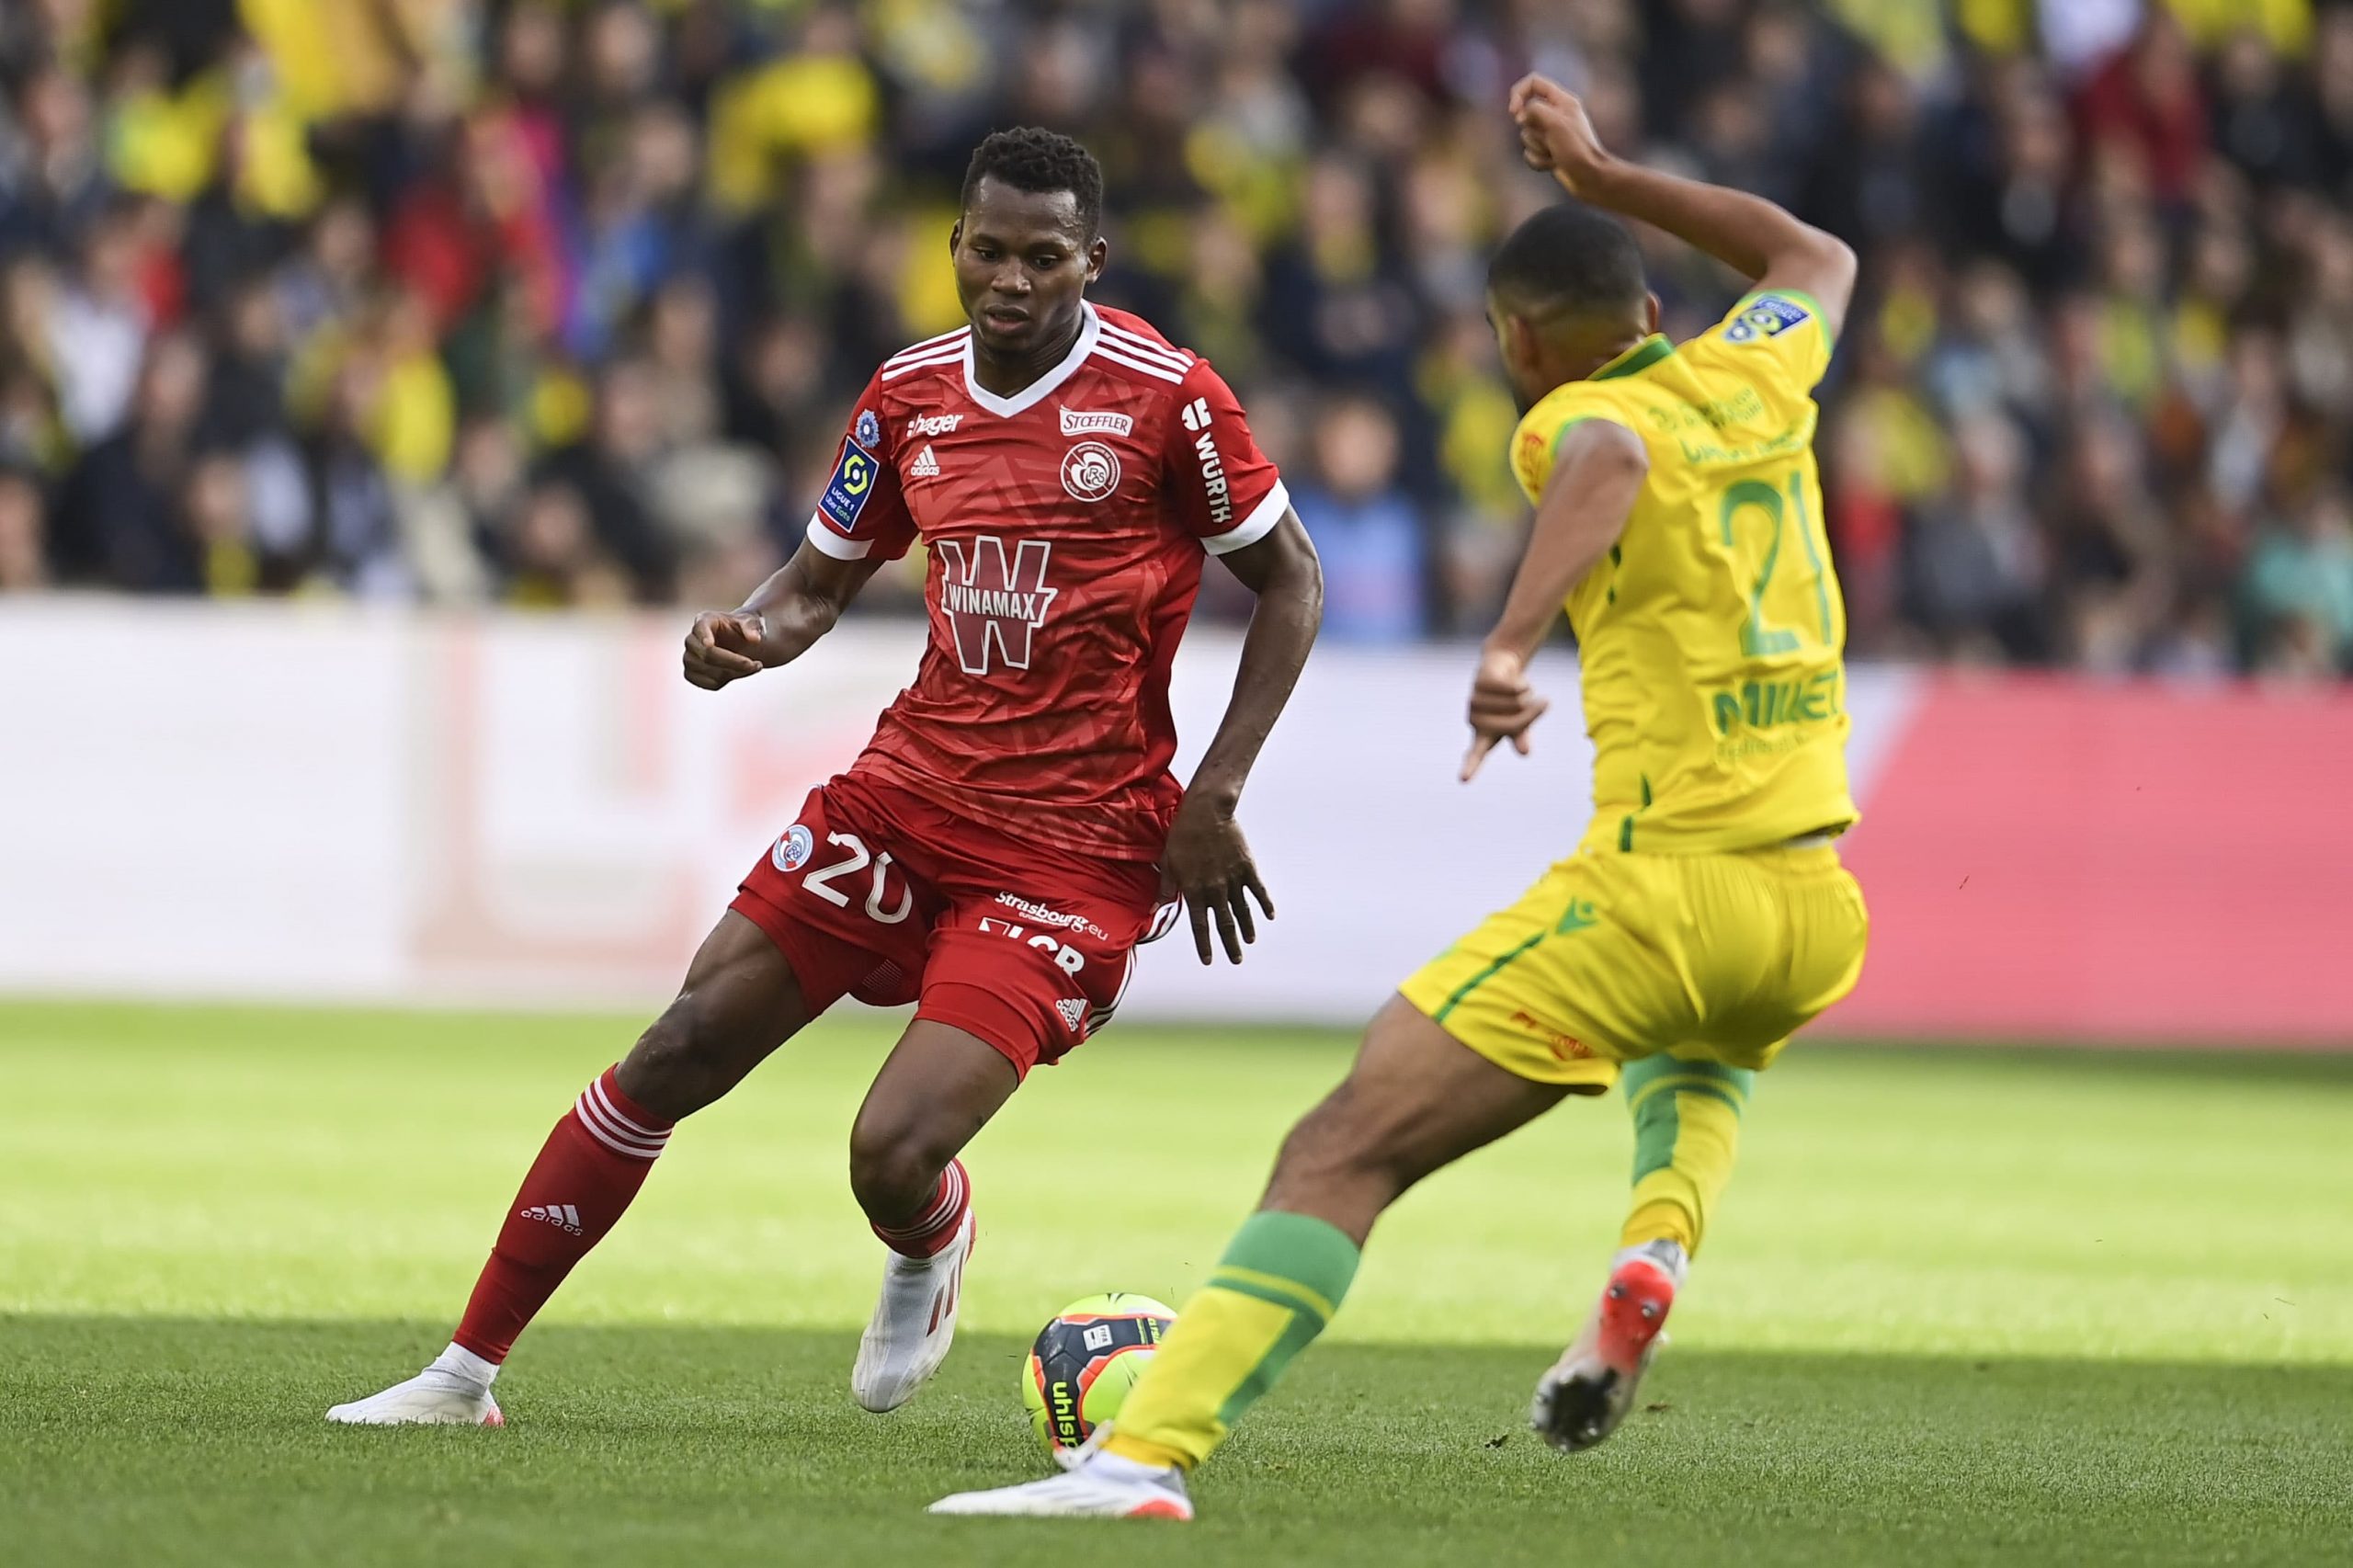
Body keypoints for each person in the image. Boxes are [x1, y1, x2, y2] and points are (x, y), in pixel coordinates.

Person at [932, 74, 1869, 1521]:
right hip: (1813, 905)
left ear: (1517, 342)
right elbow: (1818, 255)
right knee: (1698, 1057)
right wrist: (1609, 173)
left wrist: (1510, 639)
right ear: (1654, 314)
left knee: (1344, 1142)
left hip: (1667, 883)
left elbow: (1612, 453)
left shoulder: (1570, 420)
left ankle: (1143, 1455)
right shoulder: (1758, 368)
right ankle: (1658, 1244)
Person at [326, 127, 1324, 1426]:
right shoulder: (910, 394)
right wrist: (744, 636)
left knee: (890, 1150)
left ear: (1092, 258)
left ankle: (932, 1230)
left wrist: (1217, 790)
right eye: (985, 249)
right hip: (907, 795)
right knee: (679, 1043)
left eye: (1041, 257)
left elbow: (1292, 575)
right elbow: (811, 589)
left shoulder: (1167, 396)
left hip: (1072, 848)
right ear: (954, 242)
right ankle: (464, 1374)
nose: (1008, 280)